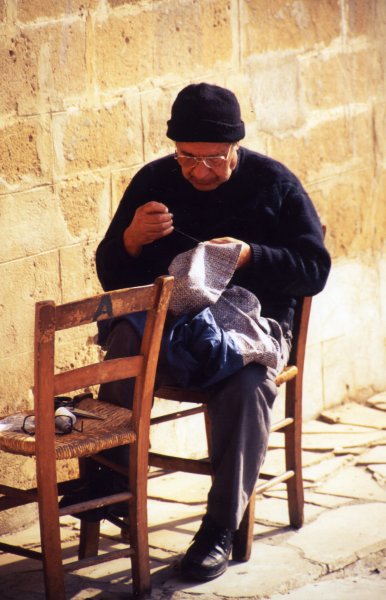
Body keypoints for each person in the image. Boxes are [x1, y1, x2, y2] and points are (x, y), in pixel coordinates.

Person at [95, 83, 331, 582]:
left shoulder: (275, 184)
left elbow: (313, 268)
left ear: (235, 147)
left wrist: (250, 255)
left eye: (214, 159)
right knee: (121, 341)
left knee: (246, 384)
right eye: (187, 157)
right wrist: (132, 240)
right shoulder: (154, 180)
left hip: (252, 330)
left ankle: (219, 528)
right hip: (174, 327)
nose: (199, 170)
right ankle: (105, 483)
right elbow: (113, 277)